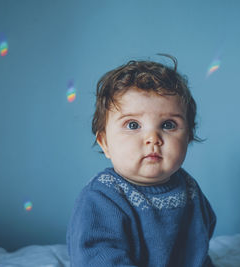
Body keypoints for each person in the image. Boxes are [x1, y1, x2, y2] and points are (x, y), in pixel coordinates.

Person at [66, 55, 216, 266]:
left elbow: (199, 242)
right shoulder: (102, 196)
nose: (152, 138)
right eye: (133, 125)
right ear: (105, 143)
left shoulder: (189, 188)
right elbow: (97, 254)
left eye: (168, 125)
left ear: (188, 137)